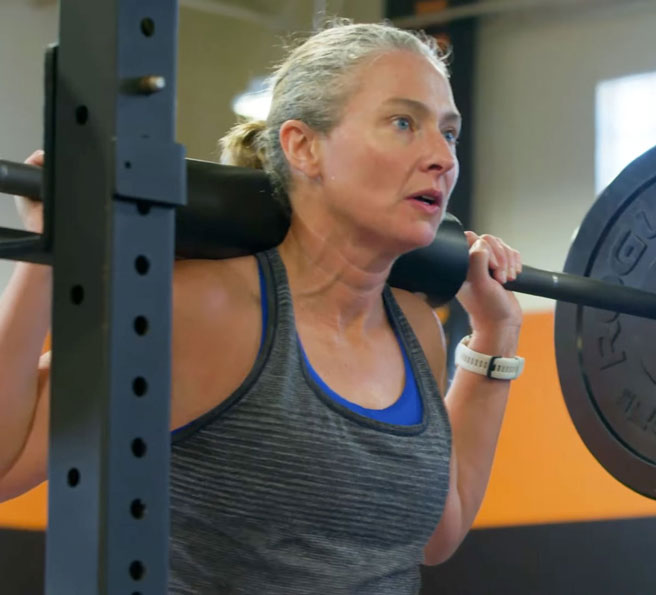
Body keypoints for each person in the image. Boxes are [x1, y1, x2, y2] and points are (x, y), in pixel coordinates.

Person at [0, 19, 524, 594]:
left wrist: (493, 336)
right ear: (303, 146)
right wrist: (52, 253)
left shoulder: (413, 327)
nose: (441, 158)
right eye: (404, 123)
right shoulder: (214, 311)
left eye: (448, 133)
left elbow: (434, 536)